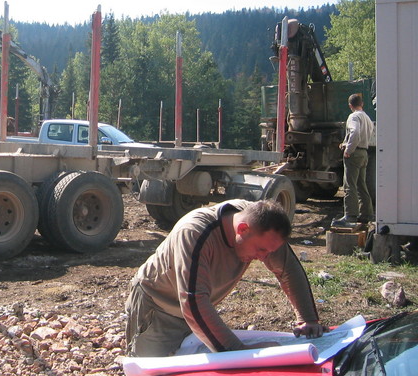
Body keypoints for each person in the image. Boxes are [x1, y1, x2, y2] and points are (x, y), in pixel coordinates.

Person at [125, 199, 327, 357]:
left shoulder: (259, 221)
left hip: (198, 309)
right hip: (159, 307)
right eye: (261, 250)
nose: (264, 258)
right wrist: (239, 352)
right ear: (242, 230)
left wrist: (308, 319)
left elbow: (288, 269)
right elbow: (194, 302)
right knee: (150, 368)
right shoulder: (194, 233)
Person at [331, 93, 375, 228]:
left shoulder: (354, 116)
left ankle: (350, 216)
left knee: (349, 185)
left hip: (354, 154)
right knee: (362, 185)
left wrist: (348, 150)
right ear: (362, 104)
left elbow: (355, 132)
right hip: (364, 153)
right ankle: (367, 214)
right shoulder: (367, 117)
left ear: (350, 105)